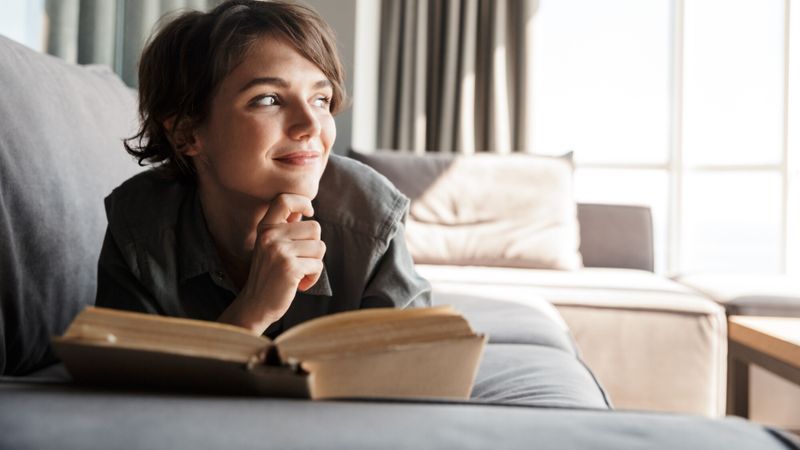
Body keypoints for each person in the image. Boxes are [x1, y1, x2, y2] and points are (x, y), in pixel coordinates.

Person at [96, 0, 431, 338]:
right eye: (268, 99)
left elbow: (425, 368)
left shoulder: (368, 214)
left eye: (320, 99)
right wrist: (253, 310)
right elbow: (127, 381)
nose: (310, 124)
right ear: (186, 133)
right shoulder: (141, 226)